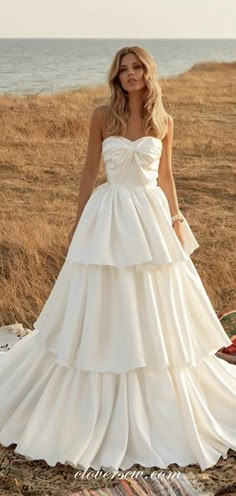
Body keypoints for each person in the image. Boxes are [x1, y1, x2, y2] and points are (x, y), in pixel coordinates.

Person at [0, 45, 236, 473]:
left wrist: (176, 217)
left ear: (148, 72)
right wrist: (77, 221)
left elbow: (165, 176)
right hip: (108, 216)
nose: (130, 74)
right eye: (123, 68)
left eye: (137, 67)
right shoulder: (100, 116)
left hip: (149, 217)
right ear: (116, 75)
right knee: (101, 294)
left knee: (155, 300)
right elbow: (90, 170)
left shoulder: (163, 120)